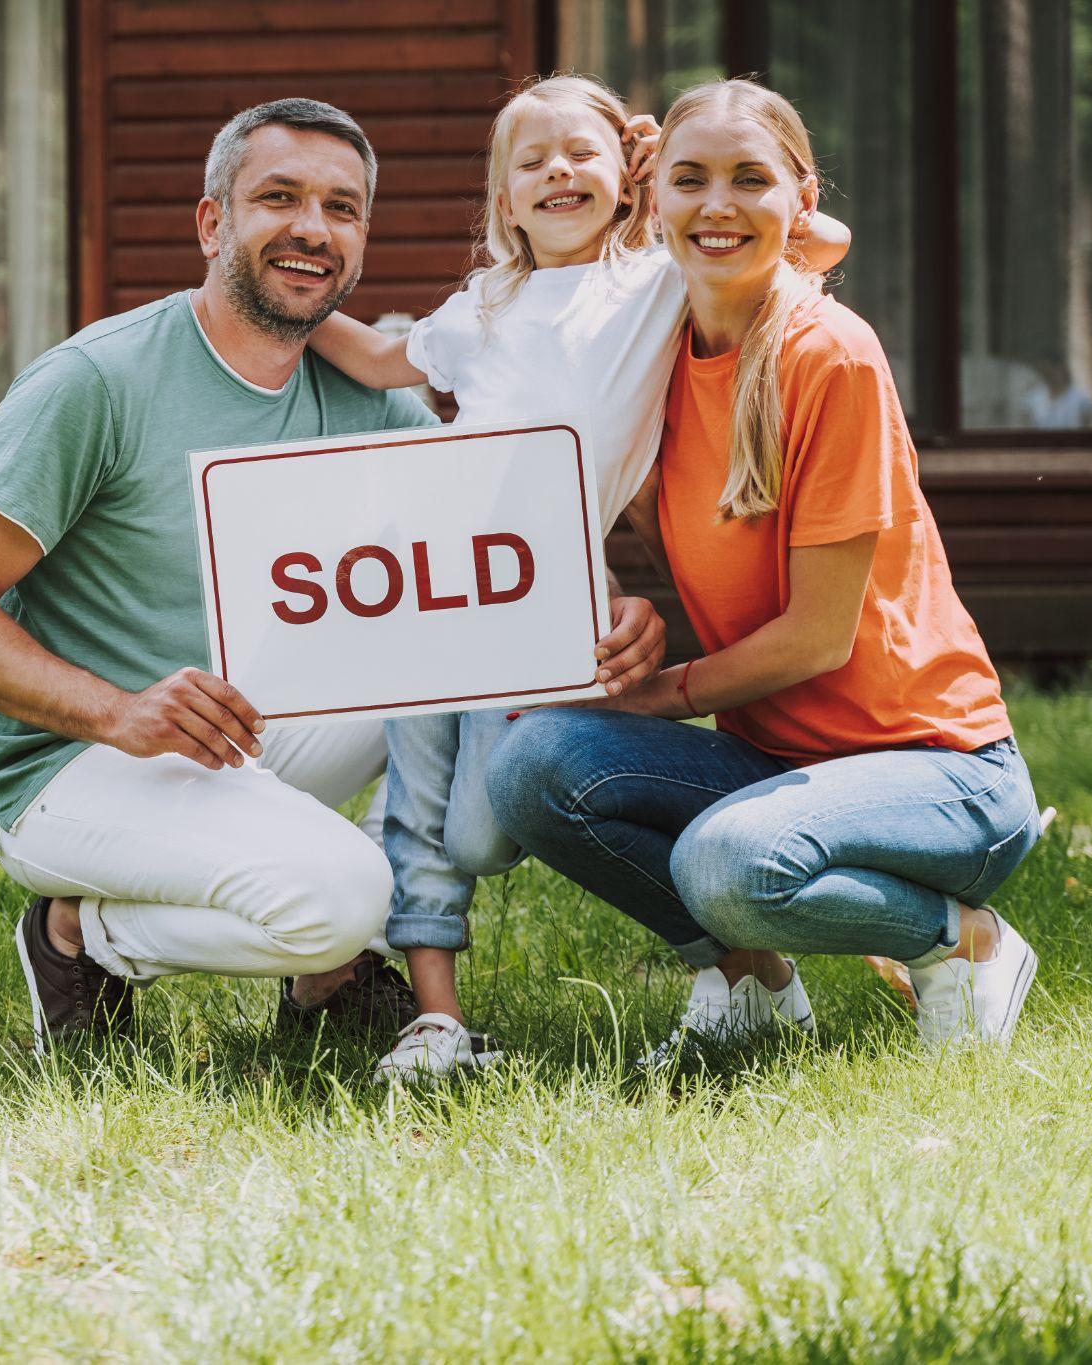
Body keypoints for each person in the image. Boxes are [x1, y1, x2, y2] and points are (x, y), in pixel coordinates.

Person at [0, 97, 670, 1054]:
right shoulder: (96, 382)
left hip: (238, 720)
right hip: (73, 758)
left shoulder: (358, 396)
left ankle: (321, 985)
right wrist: (117, 713)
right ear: (213, 221)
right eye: (279, 198)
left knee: (432, 660)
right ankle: (79, 935)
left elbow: (491, 546)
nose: (312, 227)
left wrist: (605, 612)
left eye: (342, 208)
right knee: (351, 893)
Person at [485, 79, 1042, 1062]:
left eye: (750, 180)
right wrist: (635, 618)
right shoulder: (648, 357)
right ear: (650, 197)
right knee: (532, 766)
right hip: (777, 762)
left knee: (725, 864)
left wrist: (657, 695)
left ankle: (965, 943)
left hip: (939, 775)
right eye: (689, 180)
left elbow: (816, 635)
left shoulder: (831, 355)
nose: (716, 205)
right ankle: (753, 987)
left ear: (799, 198)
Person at [306, 75, 848, 1082]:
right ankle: (433, 1019)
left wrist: (670, 169)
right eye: (531, 160)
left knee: (482, 829)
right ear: (502, 201)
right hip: (431, 581)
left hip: (540, 604)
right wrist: (288, 305)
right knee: (419, 801)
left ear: (625, 179)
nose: (558, 171)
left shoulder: (652, 282)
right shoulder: (479, 304)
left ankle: (744, 960)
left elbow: (819, 246)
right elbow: (382, 360)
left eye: (582, 154)